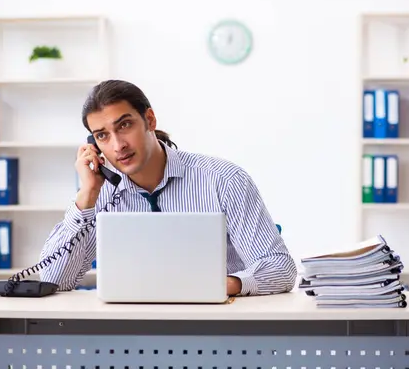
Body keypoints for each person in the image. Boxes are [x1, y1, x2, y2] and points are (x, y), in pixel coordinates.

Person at [38, 79, 297, 296]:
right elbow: (53, 280)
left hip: (218, 332)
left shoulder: (224, 180)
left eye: (124, 125)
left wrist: (217, 285)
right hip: (131, 338)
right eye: (102, 136)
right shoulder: (102, 192)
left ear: (149, 120)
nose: (118, 146)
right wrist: (86, 197)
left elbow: (280, 268)